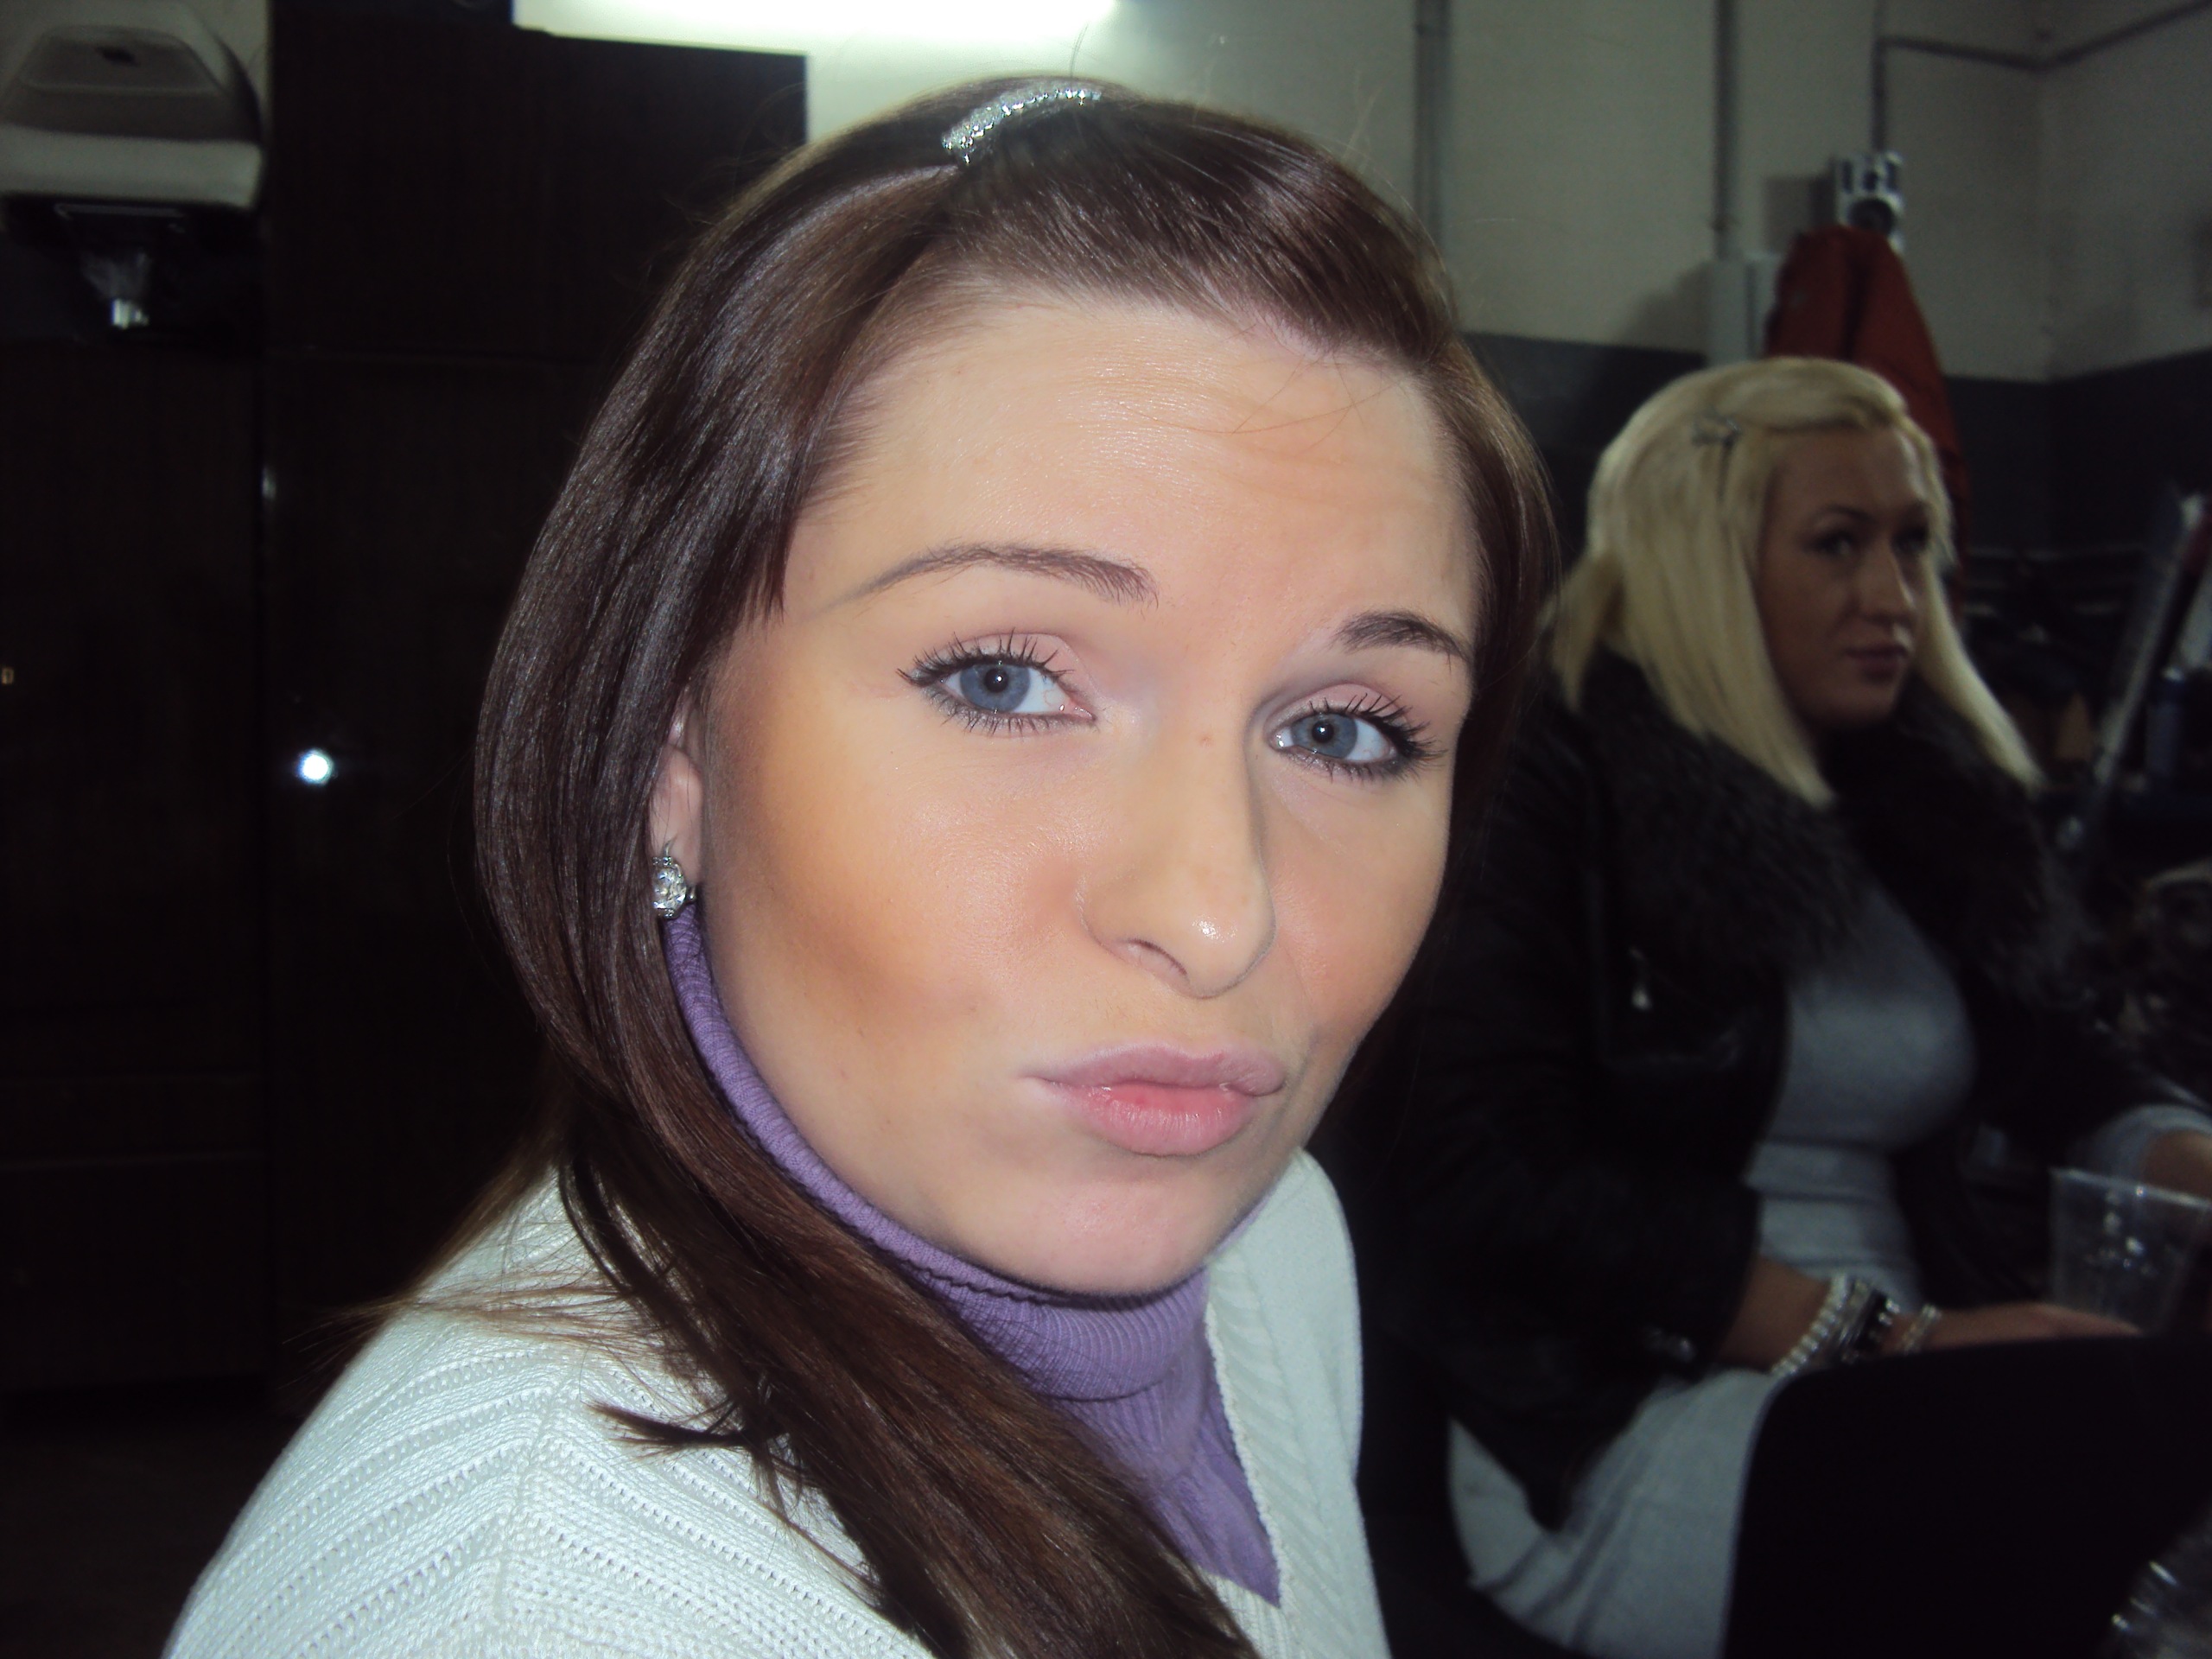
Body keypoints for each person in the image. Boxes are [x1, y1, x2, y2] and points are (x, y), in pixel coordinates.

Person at [163, 79, 1553, 1659]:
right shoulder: (536, 1615)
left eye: (1344, 731)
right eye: (1003, 681)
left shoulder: (1273, 1248)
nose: (1215, 915)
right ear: (672, 744)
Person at [1363, 358, 2212, 1659]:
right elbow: (1484, 1178)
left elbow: (2067, 1064)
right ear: (1705, 559)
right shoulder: (1551, 778)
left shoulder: (1918, 797)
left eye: (1913, 543)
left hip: (1924, 1362)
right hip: (1630, 1422)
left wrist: (2187, 1159)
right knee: (2125, 1426)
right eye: (1837, 544)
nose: (1895, 598)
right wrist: (1879, 1337)